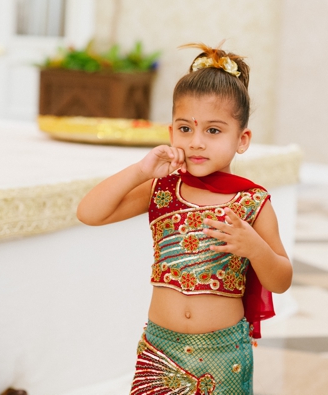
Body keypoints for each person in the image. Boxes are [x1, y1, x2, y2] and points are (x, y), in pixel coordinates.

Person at [76, 42, 293, 395]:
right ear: (171, 131)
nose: (197, 142)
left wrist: (254, 248)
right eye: (185, 128)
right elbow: (89, 213)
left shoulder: (252, 202)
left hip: (222, 355)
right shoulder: (161, 189)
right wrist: (139, 170)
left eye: (213, 130)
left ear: (243, 139)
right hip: (161, 350)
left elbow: (281, 279)